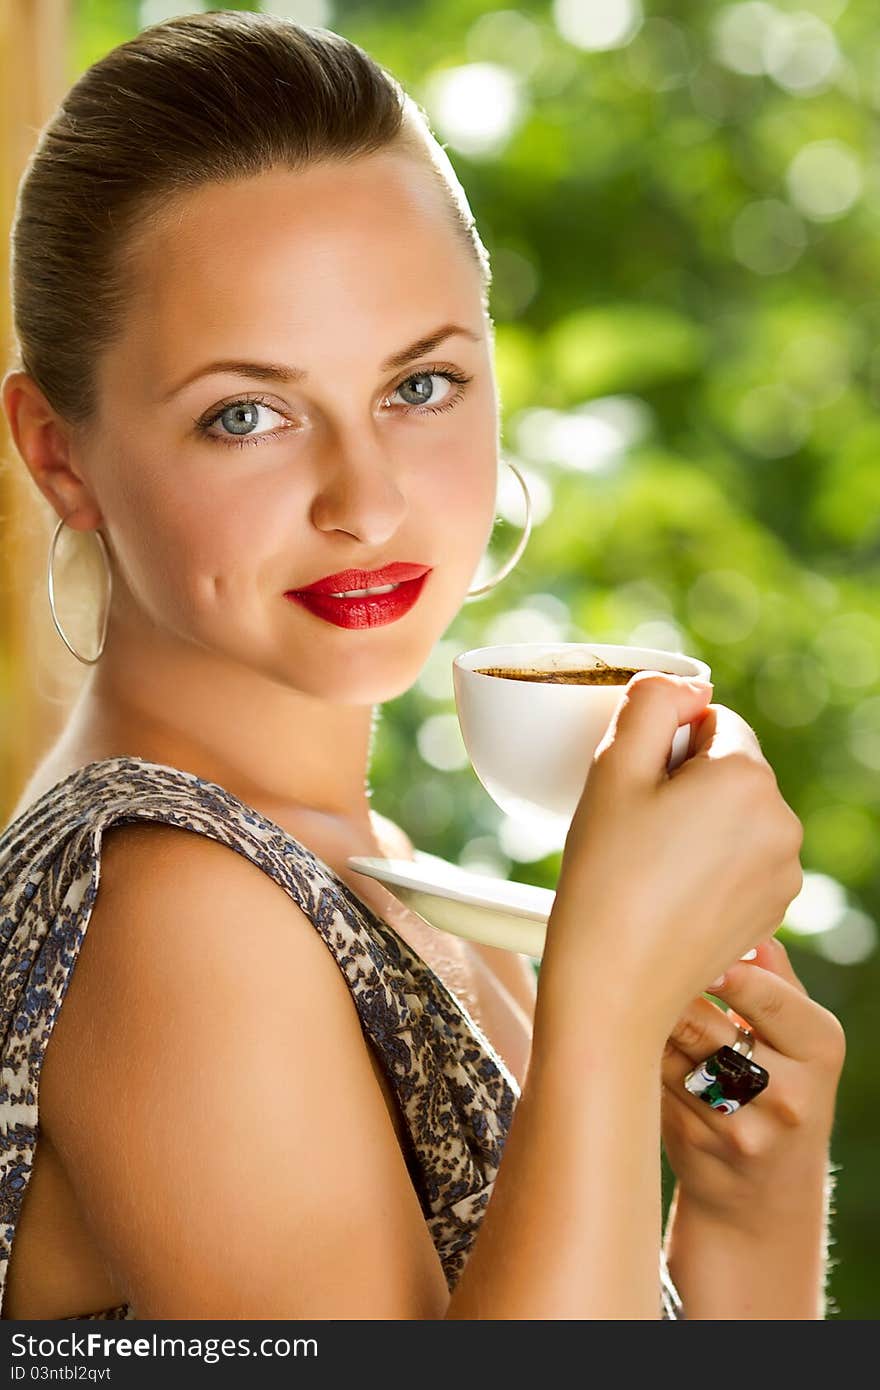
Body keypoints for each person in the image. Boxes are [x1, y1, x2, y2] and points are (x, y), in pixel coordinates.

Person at [0, 12, 844, 1321]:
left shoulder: (390, 881)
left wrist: (752, 1198)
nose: (369, 500)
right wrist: (608, 1010)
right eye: (248, 413)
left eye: (422, 384)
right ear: (61, 454)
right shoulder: (174, 911)